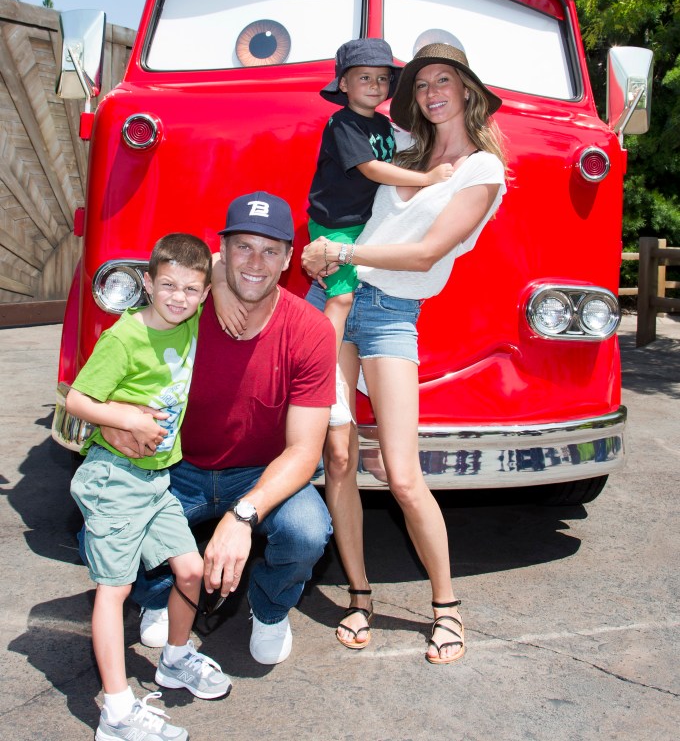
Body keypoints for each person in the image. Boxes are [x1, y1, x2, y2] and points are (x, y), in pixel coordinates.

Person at [301, 41, 507, 664]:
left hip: (390, 315)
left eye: (443, 80)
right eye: (420, 84)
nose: (430, 92)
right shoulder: (401, 148)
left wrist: (341, 253)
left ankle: (446, 608)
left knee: (403, 473)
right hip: (335, 296)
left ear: (467, 89)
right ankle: (359, 595)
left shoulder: (482, 171)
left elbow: (424, 254)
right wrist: (322, 253)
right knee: (338, 456)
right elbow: (343, 195)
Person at [99, 192, 336, 670]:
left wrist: (243, 515)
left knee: (307, 530)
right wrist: (118, 418)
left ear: (289, 259)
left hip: (258, 473)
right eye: (243, 246)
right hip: (174, 464)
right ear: (222, 251)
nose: (255, 262)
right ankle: (157, 594)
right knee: (108, 513)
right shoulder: (183, 305)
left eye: (270, 250)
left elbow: (304, 451)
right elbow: (115, 370)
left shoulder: (311, 330)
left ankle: (270, 609)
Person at [218, 39, 453, 431]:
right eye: (364, 78)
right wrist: (427, 179)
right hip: (336, 225)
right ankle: (326, 383)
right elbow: (371, 168)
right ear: (344, 84)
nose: (375, 85)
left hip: (363, 225)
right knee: (340, 298)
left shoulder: (382, 125)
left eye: (382, 78)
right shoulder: (343, 124)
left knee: (341, 296)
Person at [68, 233, 231, 741]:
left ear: (204, 294)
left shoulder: (191, 321)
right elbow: (77, 400)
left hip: (157, 480)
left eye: (190, 289)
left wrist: (213, 265)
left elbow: (219, 263)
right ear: (146, 283)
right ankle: (116, 713)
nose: (178, 298)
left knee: (191, 570)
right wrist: (130, 420)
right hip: (115, 478)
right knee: (114, 591)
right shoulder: (125, 337)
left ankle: (176, 660)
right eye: (167, 286)